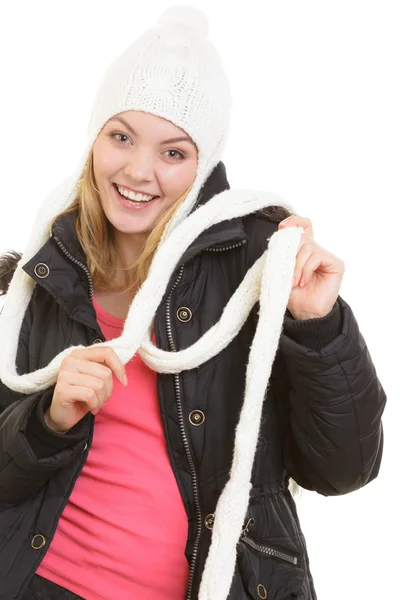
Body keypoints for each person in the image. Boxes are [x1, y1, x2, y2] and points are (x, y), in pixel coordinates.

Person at [0, 5, 386, 600]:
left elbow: (343, 470)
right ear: (94, 138)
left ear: (203, 162)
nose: (138, 171)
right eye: (120, 136)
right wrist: (49, 421)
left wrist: (319, 326)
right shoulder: (39, 270)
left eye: (173, 153)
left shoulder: (258, 257)